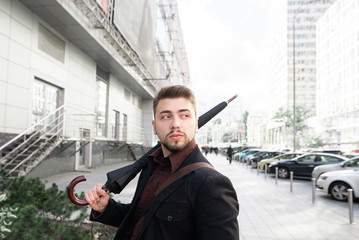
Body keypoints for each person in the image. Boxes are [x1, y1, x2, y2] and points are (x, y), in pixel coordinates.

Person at [85, 85, 239, 240]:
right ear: (154, 127)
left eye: (184, 115)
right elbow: (141, 217)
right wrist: (107, 208)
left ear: (196, 124)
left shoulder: (212, 184)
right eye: (166, 116)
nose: (175, 124)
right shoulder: (151, 166)